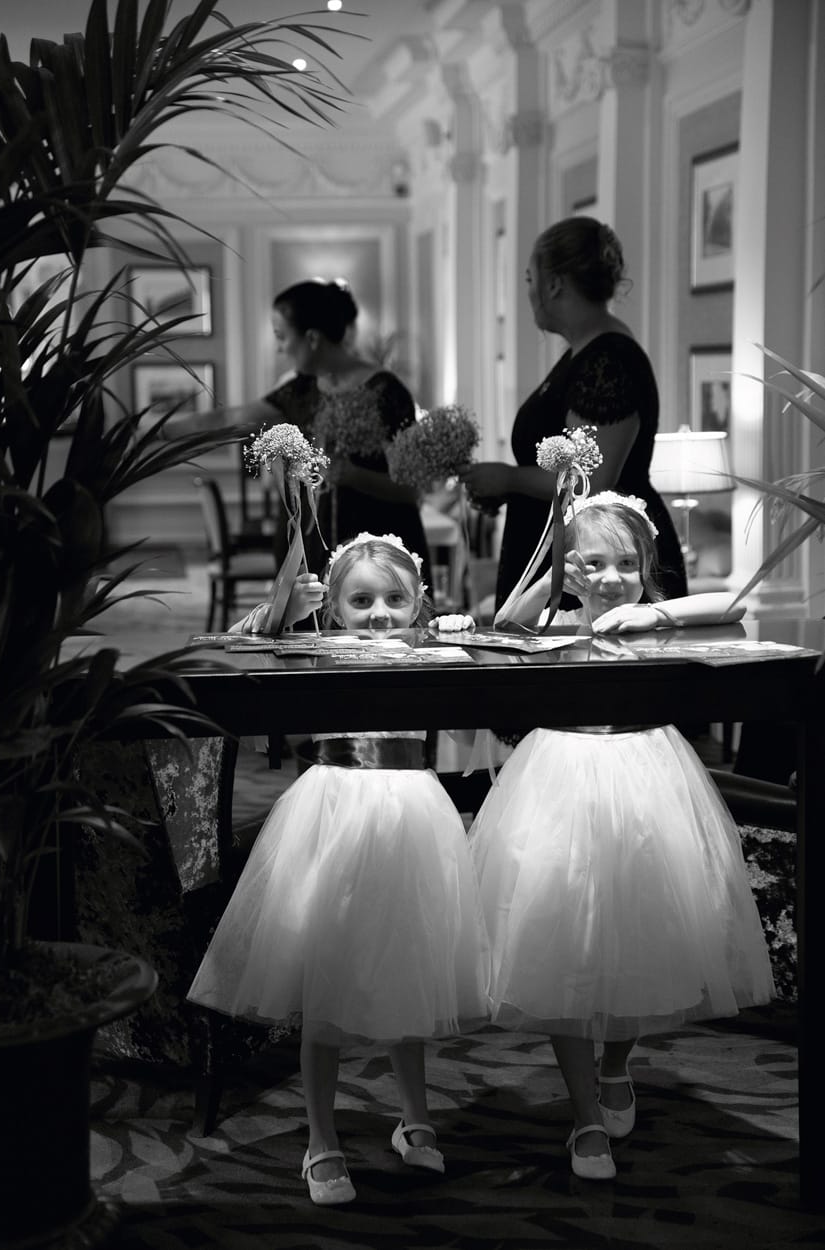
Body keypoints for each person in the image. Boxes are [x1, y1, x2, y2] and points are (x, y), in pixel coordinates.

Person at [466, 493, 775, 1181]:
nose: (609, 578)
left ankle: (614, 1061)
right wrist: (552, 575)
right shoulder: (552, 618)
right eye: (593, 562)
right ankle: (583, 1117)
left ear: (647, 567)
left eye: (626, 563)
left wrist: (651, 609)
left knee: (637, 933)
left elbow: (733, 604)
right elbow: (500, 625)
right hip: (559, 779)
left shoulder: (648, 620)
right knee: (561, 946)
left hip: (643, 777)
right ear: (568, 568)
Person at [187, 533, 489, 1206]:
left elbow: (511, 642)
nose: (379, 613)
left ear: (420, 603)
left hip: (412, 817)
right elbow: (230, 651)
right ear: (333, 612)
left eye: (394, 599)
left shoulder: (427, 649)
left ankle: (414, 1118)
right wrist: (277, 612)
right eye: (360, 601)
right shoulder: (315, 648)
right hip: (331, 815)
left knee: (407, 972)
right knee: (328, 979)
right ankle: (320, 1138)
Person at [459, 216, 687, 613]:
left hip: (602, 556)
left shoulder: (609, 360)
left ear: (554, 284)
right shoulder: (581, 353)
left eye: (530, 280)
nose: (529, 293)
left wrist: (509, 478)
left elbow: (592, 478)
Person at [269, 279, 431, 582]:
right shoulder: (302, 388)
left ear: (313, 338)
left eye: (281, 336)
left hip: (377, 559)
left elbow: (413, 490)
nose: (279, 348)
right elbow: (234, 417)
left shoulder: (386, 391)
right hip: (317, 555)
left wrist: (353, 475)